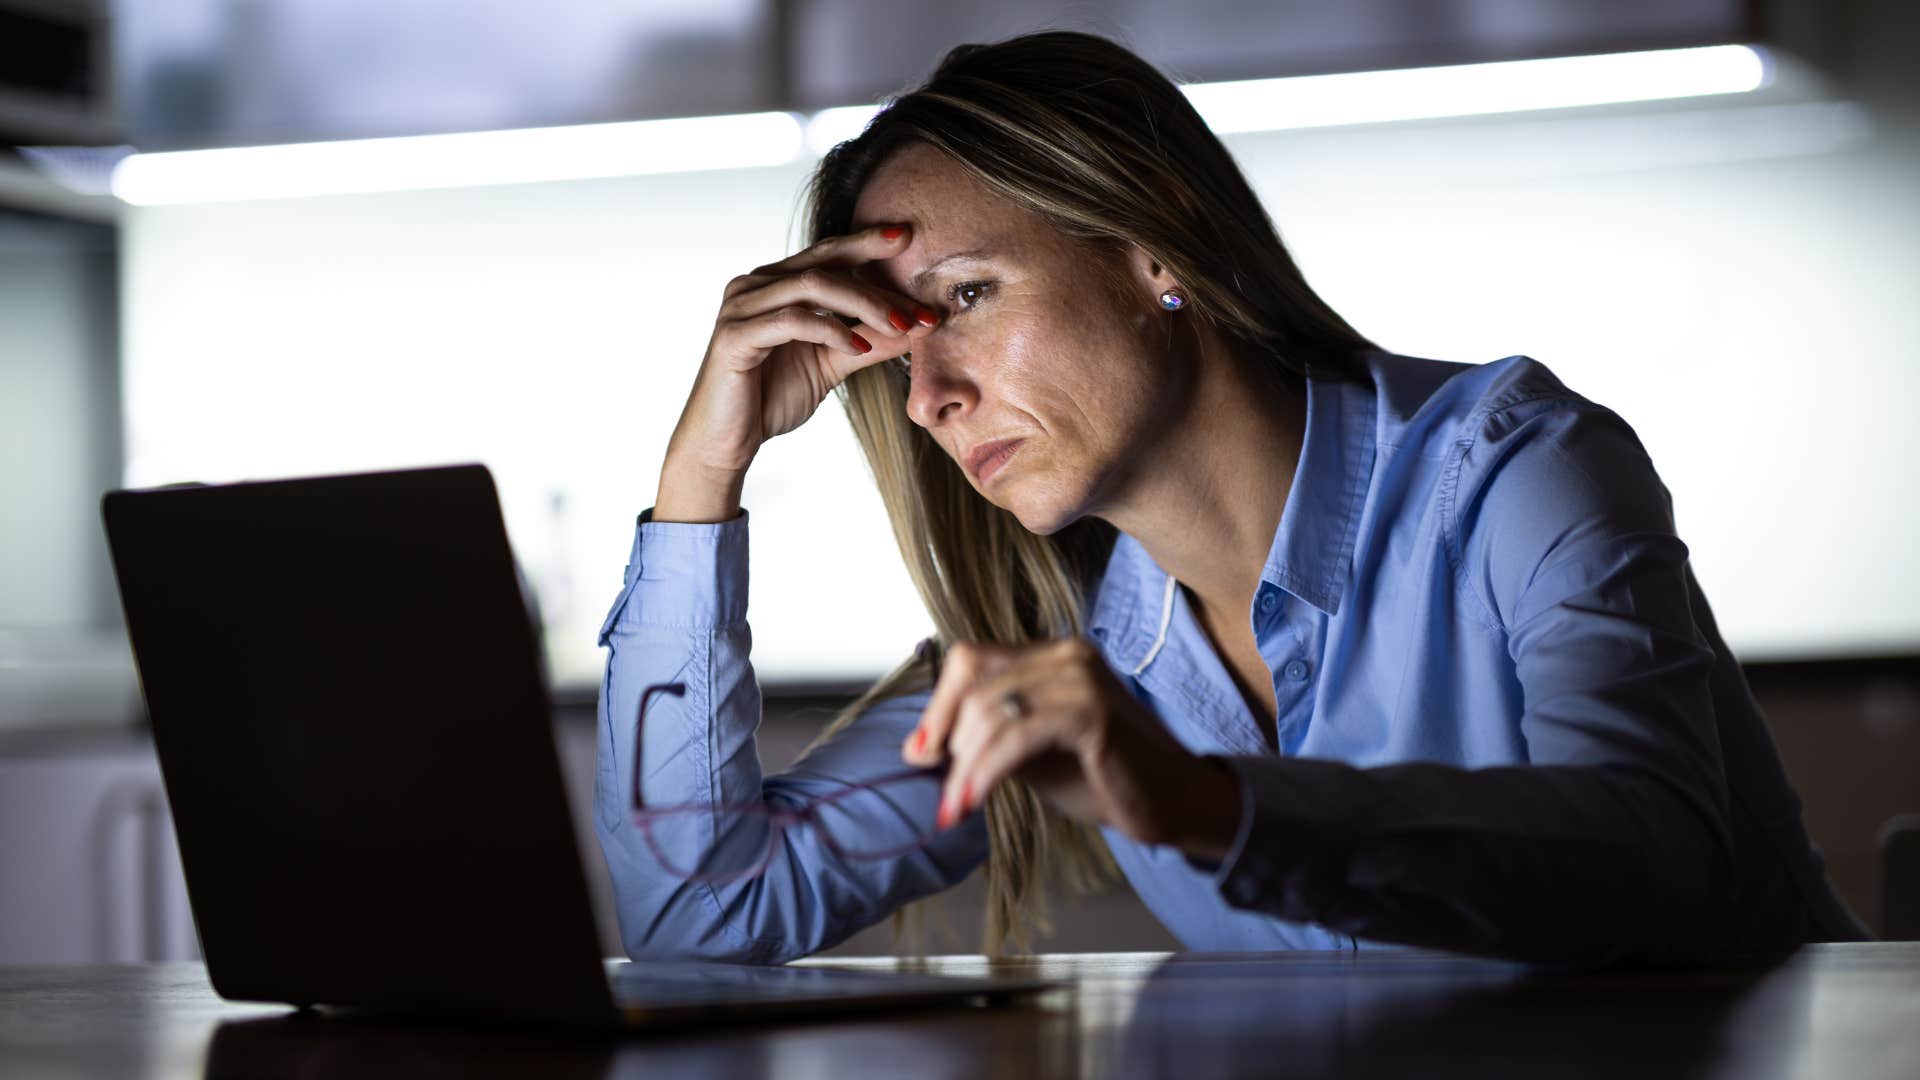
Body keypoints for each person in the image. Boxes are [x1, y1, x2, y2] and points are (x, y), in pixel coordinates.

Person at [595, 30, 1867, 966]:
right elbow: (699, 912)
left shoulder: (1518, 472)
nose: (927, 396)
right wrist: (697, 485)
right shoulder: (1067, 658)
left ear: (1156, 247)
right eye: (898, 346)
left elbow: (1656, 869)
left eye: (968, 297)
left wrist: (1204, 802)